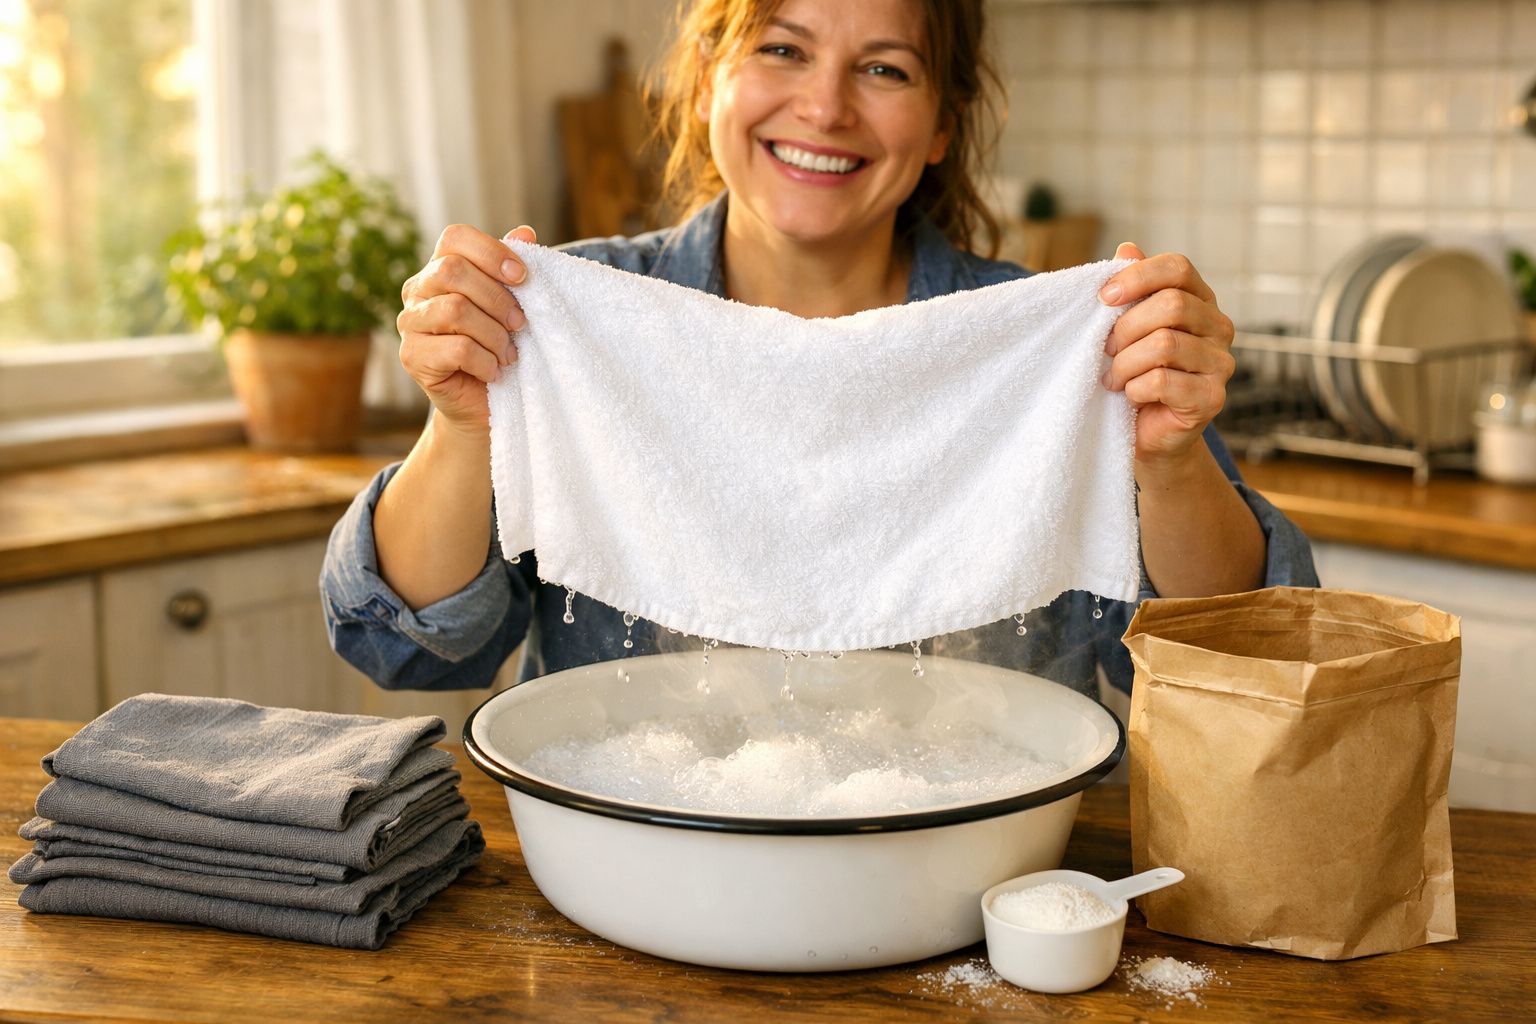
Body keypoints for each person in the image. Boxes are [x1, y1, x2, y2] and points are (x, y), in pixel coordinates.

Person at [321, 0, 1317, 699]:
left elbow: (1240, 674)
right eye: (784, 50)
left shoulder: (1054, 354)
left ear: (941, 126)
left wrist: (1172, 459)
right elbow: (405, 651)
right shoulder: (574, 320)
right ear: (710, 75)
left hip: (977, 897)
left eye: (885, 68)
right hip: (638, 895)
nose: (826, 107)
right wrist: (461, 423)